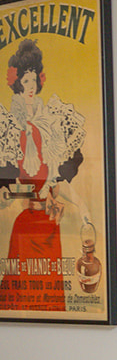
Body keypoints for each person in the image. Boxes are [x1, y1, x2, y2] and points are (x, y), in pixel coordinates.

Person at [1, 38, 83, 312]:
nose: (31, 86)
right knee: (22, 299)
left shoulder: (50, 124)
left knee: (49, 299)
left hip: (50, 225)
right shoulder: (9, 129)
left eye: (34, 80)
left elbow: (57, 177)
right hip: (26, 225)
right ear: (16, 84)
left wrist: (80, 207)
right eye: (25, 81)